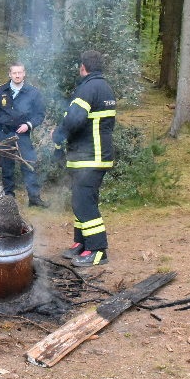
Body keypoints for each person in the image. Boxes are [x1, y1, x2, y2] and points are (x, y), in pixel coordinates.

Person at [52, 50, 116, 268]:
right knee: (82, 201)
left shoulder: (87, 88)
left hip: (89, 158)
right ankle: (82, 243)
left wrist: (58, 136)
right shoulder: (104, 87)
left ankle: (97, 250)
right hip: (94, 156)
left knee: (84, 203)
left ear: (83, 67)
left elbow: (74, 120)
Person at [0, 63, 48, 207]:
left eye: (20, 73)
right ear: (9, 74)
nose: (17, 75)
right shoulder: (0, 92)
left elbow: (40, 114)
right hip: (4, 133)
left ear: (24, 73)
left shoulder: (33, 93)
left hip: (22, 133)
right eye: (14, 73)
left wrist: (29, 125)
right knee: (7, 167)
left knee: (29, 163)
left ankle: (34, 198)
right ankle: (9, 198)